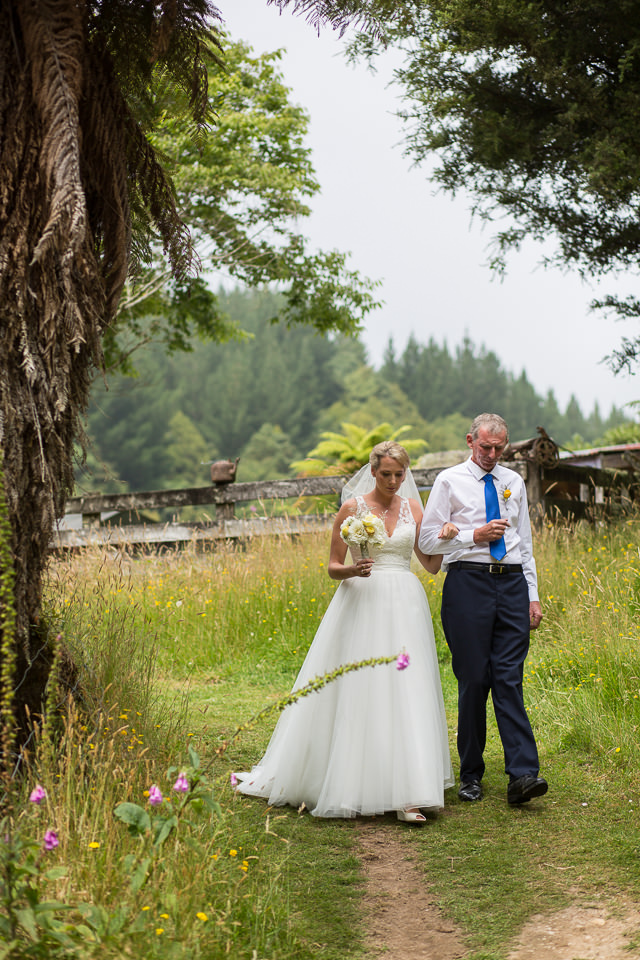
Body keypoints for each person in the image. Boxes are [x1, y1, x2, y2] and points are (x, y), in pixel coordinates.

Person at [235, 441, 455, 823]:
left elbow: (431, 565)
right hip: (362, 599)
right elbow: (333, 566)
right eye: (385, 473)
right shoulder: (352, 509)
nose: (392, 480)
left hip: (404, 601)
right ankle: (351, 780)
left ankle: (410, 795)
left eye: (399, 474)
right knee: (361, 685)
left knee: (406, 687)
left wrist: (448, 538)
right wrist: (353, 570)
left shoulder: (412, 507)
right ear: (373, 471)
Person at [418, 413, 548, 806]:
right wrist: (473, 536)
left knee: (509, 677)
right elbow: (426, 540)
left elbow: (523, 541)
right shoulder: (448, 481)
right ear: (470, 440)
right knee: (474, 679)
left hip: (510, 584)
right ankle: (470, 774)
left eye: (499, 448)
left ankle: (523, 775)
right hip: (468, 583)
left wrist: (532, 594)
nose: (492, 454)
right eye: (485, 447)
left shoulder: (513, 482)